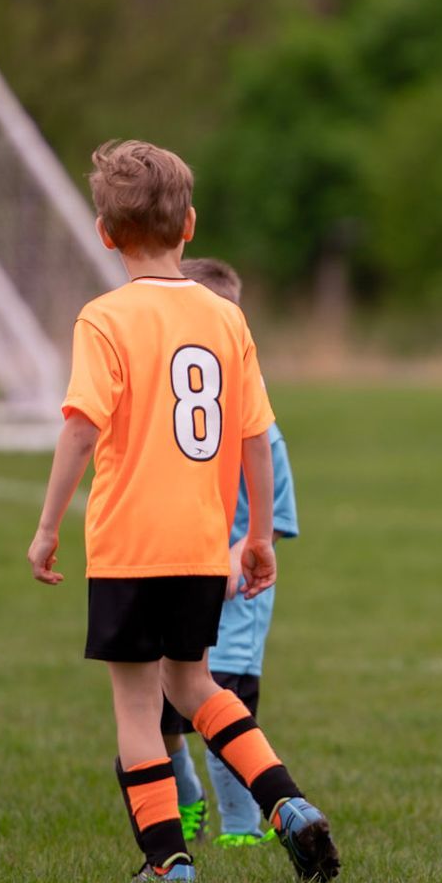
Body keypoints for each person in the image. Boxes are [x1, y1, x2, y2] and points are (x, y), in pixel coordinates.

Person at [27, 140, 338, 883]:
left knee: (139, 709)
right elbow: (255, 435)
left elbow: (79, 428)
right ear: (189, 224)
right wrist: (258, 534)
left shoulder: (103, 319)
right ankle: (287, 803)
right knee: (196, 685)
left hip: (130, 547)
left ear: (105, 233)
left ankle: (167, 859)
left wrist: (45, 527)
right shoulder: (226, 320)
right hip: (205, 546)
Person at [158, 256, 300, 848]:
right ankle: (184, 794)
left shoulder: (257, 428)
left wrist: (235, 558)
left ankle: (242, 830)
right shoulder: (175, 411)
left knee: (222, 717)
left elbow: (275, 520)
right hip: (172, 582)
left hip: (233, 601)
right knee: (160, 719)